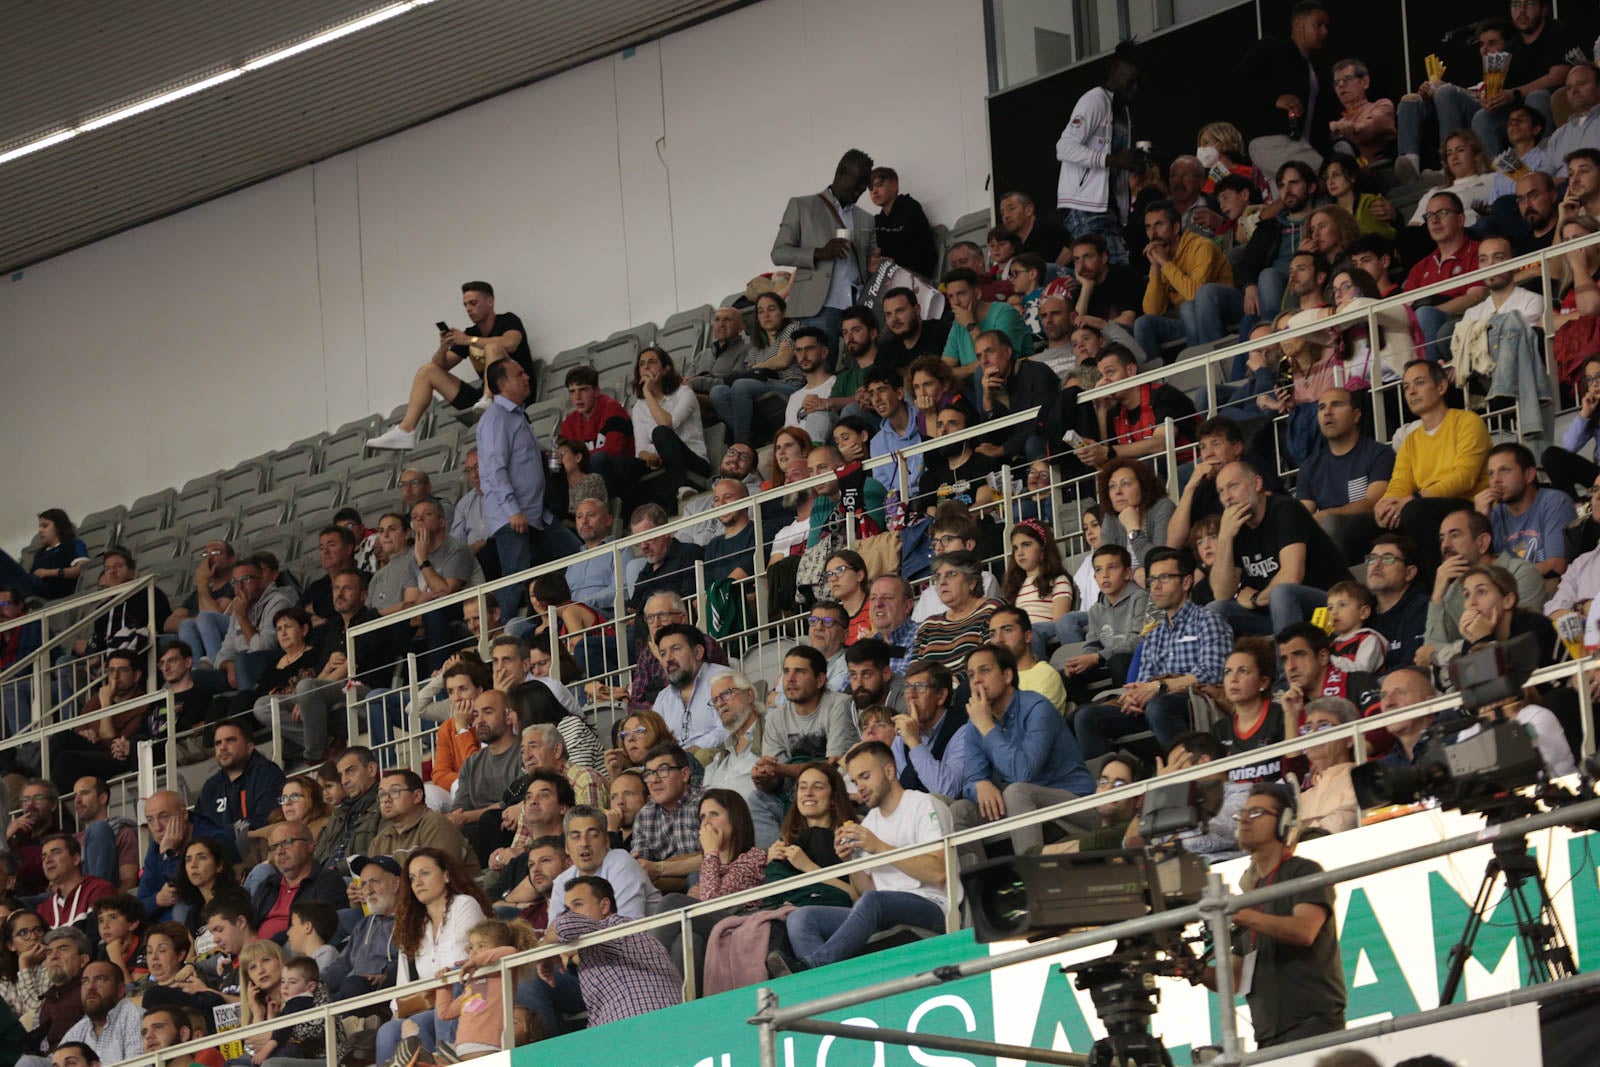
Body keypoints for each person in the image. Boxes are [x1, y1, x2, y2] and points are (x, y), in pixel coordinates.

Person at [767, 740, 951, 977]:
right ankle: (831, 989)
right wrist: (851, 861)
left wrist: (880, 847)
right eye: (855, 781)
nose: (859, 786)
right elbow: (864, 895)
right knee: (801, 918)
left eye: (865, 776)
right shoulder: (870, 821)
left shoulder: (923, 804)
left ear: (889, 771)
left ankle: (814, 969)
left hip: (932, 905)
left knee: (876, 901)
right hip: (882, 909)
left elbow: (939, 873)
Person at [1075, 548, 1233, 759]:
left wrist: (1160, 687)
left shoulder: (1207, 620)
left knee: (1159, 706)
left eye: (1165, 578)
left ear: (1186, 582)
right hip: (1156, 704)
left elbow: (1214, 674)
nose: (1155, 586)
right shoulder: (1155, 634)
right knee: (1087, 716)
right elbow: (1144, 681)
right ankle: (1113, 784)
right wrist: (1134, 697)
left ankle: (1191, 771)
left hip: (1194, 699)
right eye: (1152, 580)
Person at [948, 644, 1093, 854]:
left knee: (1017, 791)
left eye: (985, 671)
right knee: (959, 810)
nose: (976, 680)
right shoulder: (976, 723)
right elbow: (970, 781)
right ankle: (979, 884)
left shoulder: (1037, 708)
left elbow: (1023, 772)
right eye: (971, 675)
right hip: (1020, 805)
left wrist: (987, 727)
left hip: (1073, 803)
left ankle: (1034, 877)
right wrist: (980, 784)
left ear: (1007, 676)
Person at [475, 357, 583, 620]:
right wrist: (513, 510)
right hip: (515, 517)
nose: (527, 377)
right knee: (515, 576)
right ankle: (502, 636)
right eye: (519, 373)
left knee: (575, 553)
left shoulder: (517, 415)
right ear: (502, 384)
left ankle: (575, 609)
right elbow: (495, 469)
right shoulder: (496, 419)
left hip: (536, 514)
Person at [368, 281, 534, 450]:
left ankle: (488, 399)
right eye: (465, 305)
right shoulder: (470, 333)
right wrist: (444, 347)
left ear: (490, 301)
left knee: (492, 347)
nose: (469, 309)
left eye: (473, 303)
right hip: (480, 402)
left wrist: (469, 341)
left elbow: (511, 343)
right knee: (427, 371)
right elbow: (440, 365)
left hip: (517, 394)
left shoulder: (508, 320)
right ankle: (405, 430)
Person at [376, 848, 492, 1067]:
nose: (418, 881)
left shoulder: (464, 905)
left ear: (446, 875)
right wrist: (399, 1020)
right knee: (388, 1030)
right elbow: (403, 991)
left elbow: (463, 967)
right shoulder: (411, 927)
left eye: (425, 873)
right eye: (412, 878)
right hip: (429, 1008)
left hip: (467, 1000)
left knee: (418, 1023)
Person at [1374, 362, 1491, 573]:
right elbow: (1400, 482)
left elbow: (1465, 477)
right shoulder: (1411, 441)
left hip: (1466, 504)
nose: (1411, 391)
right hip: (1422, 505)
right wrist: (1386, 504)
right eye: (1406, 386)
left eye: (1419, 383)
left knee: (1414, 511)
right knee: (1361, 527)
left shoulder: (1467, 422)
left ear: (1441, 387)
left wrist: (1415, 499)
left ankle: (1435, 584)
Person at [1210, 459, 1347, 634]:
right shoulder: (1236, 527)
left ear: (1257, 484)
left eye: (1233, 486)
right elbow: (1222, 593)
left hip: (1328, 607)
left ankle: (1288, 661)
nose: (1227, 497)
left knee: (1282, 594)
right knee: (1216, 610)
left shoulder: (1285, 509)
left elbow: (1292, 577)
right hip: (1277, 612)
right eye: (1221, 491)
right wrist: (1224, 539)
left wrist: (1255, 599)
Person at [543, 876, 682, 1026]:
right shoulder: (593, 951)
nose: (569, 913)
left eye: (578, 904)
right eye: (567, 909)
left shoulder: (618, 926)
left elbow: (564, 925)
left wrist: (544, 949)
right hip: (625, 1031)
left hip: (647, 1024)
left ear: (604, 906)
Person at [771, 149, 875, 342]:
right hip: (817, 308)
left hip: (858, 308)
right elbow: (778, 253)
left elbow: (869, 264)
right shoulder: (802, 207)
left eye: (864, 184)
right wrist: (818, 253)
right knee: (823, 371)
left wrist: (874, 265)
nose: (861, 189)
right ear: (841, 173)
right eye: (858, 181)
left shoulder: (867, 219)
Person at [1295, 388, 1395, 563]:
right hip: (1329, 541)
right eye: (1321, 408)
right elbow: (1302, 517)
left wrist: (1329, 514)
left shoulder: (1380, 454)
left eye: (1337, 405)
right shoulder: (1309, 467)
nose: (1327, 412)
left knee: (1332, 523)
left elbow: (1374, 503)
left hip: (1371, 540)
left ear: (1356, 415)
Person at [1132, 198, 1235, 356]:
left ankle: (1207, 362)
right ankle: (1158, 380)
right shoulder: (1162, 258)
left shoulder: (1201, 246)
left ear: (1175, 227)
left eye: (1159, 225)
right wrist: (1155, 269)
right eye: (1148, 227)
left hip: (1221, 310)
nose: (1153, 233)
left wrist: (1165, 263)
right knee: (1143, 323)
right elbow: (1152, 311)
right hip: (1187, 320)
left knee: (1190, 305)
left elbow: (1196, 294)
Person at [755, 647, 858, 787]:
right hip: (793, 792)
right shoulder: (776, 718)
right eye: (786, 672)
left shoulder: (840, 704)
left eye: (800, 672)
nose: (790, 679)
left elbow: (834, 767)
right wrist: (763, 776)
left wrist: (781, 770)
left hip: (833, 788)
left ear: (820, 680)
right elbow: (776, 778)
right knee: (757, 798)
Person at [702, 673, 784, 849]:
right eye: (715, 700)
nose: (720, 703)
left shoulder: (771, 732)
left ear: (750, 695)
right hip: (724, 843)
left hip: (758, 830)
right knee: (694, 877)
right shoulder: (720, 756)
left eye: (726, 694)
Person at [1475, 442, 1575, 579]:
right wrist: (1480, 520)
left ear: (1529, 475)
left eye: (1504, 470)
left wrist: (1501, 579)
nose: (1495, 480)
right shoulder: (1492, 514)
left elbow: (1556, 566)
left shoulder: (1555, 502)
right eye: (1491, 474)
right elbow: (1475, 570)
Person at [1403, 193, 1485, 353]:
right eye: (1429, 216)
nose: (1434, 220)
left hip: (1466, 319)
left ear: (1461, 220)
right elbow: (1406, 309)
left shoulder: (1479, 251)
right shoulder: (1420, 267)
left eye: (1442, 213)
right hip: (1426, 327)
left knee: (1425, 315)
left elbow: (1477, 296)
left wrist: (1430, 313)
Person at [451, 690, 524, 867]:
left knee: (491, 819)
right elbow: (460, 811)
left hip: (512, 827)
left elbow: (512, 803)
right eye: (476, 714)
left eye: (488, 712)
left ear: (508, 716)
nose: (479, 720)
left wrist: (466, 817)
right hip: (477, 834)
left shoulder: (524, 751)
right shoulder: (471, 763)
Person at [368, 769, 482, 879]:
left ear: (417, 796)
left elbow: (434, 880)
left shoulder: (437, 825)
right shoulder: (379, 840)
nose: (386, 799)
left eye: (394, 791)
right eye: (382, 794)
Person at [249, 821, 345, 943]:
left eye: (287, 842)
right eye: (274, 847)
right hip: (257, 954)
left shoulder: (328, 881)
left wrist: (268, 945)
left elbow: (320, 928)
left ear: (310, 845)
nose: (280, 851)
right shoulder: (268, 885)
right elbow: (248, 925)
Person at [321, 854, 400, 1001]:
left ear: (396, 884)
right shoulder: (364, 925)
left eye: (374, 882)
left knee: (354, 984)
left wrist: (387, 976)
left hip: (382, 993)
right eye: (363, 884)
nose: (368, 890)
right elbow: (342, 965)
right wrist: (314, 984)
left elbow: (411, 961)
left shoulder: (411, 920)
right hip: (352, 992)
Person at [911, 551, 1004, 676]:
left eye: (951, 574)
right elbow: (914, 673)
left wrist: (955, 684)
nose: (942, 582)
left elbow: (994, 661)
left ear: (971, 582)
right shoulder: (929, 625)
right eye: (938, 577)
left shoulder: (991, 609)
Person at [631, 743, 706, 891]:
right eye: (648, 774)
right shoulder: (645, 815)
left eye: (663, 771)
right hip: (665, 893)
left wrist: (661, 868)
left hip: (706, 884)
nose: (654, 780)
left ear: (684, 774)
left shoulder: (707, 802)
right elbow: (642, 867)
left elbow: (720, 856)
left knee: (696, 877)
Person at [558, 365, 636, 493]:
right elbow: (563, 456)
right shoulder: (569, 422)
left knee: (599, 459)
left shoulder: (612, 409)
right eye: (572, 391)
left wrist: (577, 459)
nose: (577, 397)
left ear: (596, 391)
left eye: (583, 390)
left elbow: (613, 450)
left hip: (620, 472)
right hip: (587, 475)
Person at [312, 746, 383, 877]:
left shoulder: (385, 804)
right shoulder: (338, 814)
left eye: (351, 771)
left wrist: (337, 871)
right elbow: (317, 857)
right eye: (341, 775)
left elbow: (381, 852)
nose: (344, 781)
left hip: (357, 880)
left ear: (371, 769)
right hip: (326, 881)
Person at [59, 960, 143, 1065]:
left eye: (100, 979)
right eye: (85, 981)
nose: (90, 987)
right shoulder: (76, 1032)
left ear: (120, 990)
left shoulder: (134, 1017)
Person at [69, 777, 136, 893]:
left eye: (84, 793)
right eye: (75, 796)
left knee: (99, 829)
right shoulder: (72, 839)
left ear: (102, 798)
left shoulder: (123, 832)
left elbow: (129, 881)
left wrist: (109, 905)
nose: (77, 801)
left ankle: (94, 896)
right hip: (73, 899)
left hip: (103, 898)